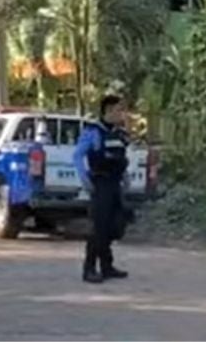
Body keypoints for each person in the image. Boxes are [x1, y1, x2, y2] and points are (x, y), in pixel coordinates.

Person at [73, 95, 131, 284]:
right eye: (117, 110)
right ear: (107, 111)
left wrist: (125, 176)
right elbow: (77, 156)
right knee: (99, 227)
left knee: (115, 225)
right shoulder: (93, 131)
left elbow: (120, 158)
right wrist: (85, 179)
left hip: (115, 184)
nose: (121, 114)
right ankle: (89, 269)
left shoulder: (119, 133)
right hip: (100, 183)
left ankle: (107, 266)